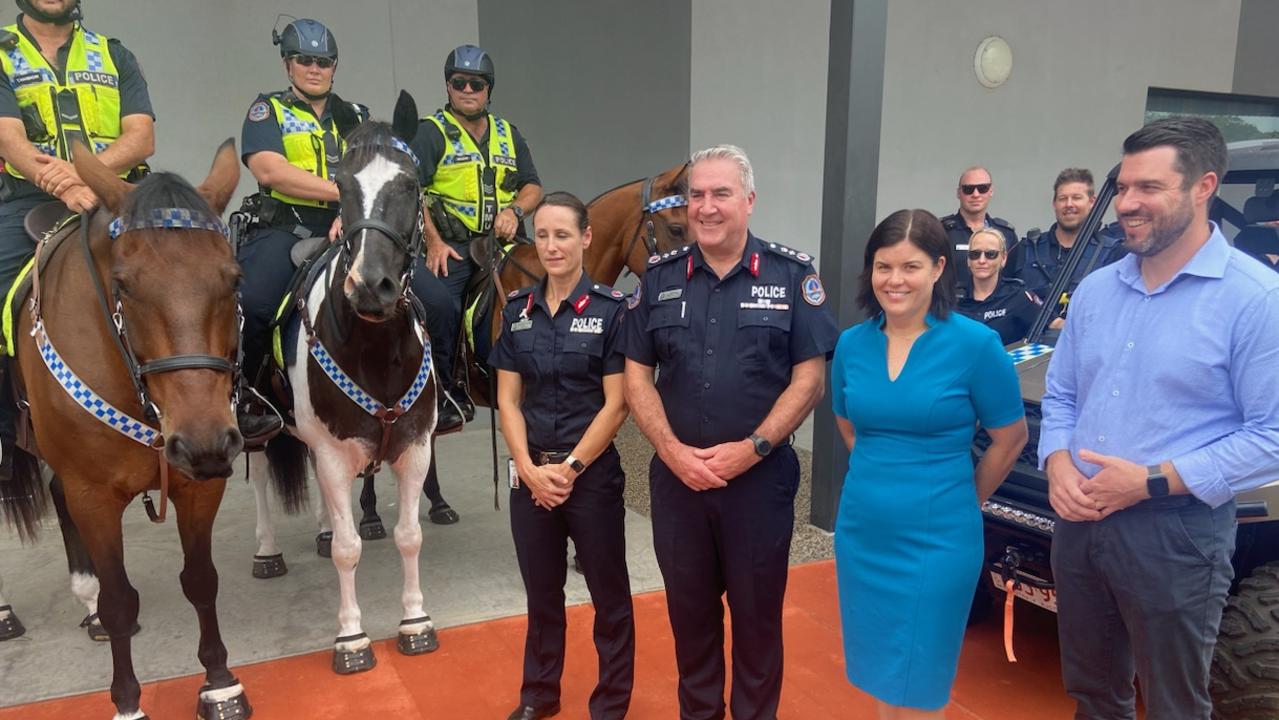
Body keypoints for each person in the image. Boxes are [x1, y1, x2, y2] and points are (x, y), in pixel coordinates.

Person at [1039, 117, 1279, 719]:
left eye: (1148, 188)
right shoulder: (1096, 291)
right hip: (1081, 521)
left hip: (1176, 530)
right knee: (1093, 694)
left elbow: (1272, 434)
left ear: (1203, 186)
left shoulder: (1255, 299)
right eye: (1121, 188)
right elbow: (1063, 394)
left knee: (1174, 703)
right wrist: (1056, 462)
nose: (1127, 204)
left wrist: (1151, 480)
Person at [623, 144, 838, 720]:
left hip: (758, 486)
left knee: (757, 624)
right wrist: (670, 451)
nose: (707, 207)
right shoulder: (660, 277)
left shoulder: (792, 275)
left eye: (721, 194)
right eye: (697, 194)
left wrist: (754, 448)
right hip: (678, 486)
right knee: (690, 622)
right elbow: (636, 376)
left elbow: (810, 377)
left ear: (749, 200)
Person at [829, 209, 1027, 718]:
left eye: (910, 267)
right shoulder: (852, 344)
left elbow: (1010, 438)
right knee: (882, 673)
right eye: (883, 266)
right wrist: (885, 480)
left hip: (938, 539)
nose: (895, 280)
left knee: (921, 680)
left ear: (939, 268)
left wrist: (962, 499)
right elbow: (850, 425)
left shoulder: (976, 345)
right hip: (864, 533)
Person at [236, 18, 460, 438]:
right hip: (289, 227)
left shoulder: (355, 115)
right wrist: (343, 191)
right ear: (288, 65)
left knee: (441, 305)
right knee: (254, 303)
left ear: (334, 67)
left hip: (357, 229)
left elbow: (391, 170)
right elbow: (269, 170)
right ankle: (248, 397)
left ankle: (442, 394)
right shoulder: (268, 110)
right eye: (305, 60)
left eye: (324, 61)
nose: (314, 68)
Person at [491, 192, 633, 720]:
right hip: (531, 478)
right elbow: (507, 398)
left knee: (609, 595)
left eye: (563, 235)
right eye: (542, 235)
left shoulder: (612, 312)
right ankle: (538, 696)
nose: (551, 246)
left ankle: (610, 704)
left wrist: (569, 469)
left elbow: (618, 405)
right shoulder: (517, 311)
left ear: (586, 238)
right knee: (541, 593)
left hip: (590, 479)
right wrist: (527, 468)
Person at [0, 0, 154, 478]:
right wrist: (63, 183)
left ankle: (228, 404)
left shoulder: (113, 53)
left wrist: (90, 175)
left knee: (201, 274)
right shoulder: (2, 53)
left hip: (119, 192)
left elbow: (141, 136)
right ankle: (6, 431)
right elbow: (8, 138)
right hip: (30, 199)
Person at [413, 44, 542, 416]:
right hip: (451, 245)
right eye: (459, 83)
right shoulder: (430, 132)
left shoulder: (508, 133)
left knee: (546, 285)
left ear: (489, 89)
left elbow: (533, 185)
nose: (468, 90)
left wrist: (515, 210)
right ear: (448, 86)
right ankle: (445, 389)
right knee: (443, 306)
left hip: (502, 243)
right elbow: (412, 192)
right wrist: (433, 242)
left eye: (477, 84)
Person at [1019, 168, 1126, 298]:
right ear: (1054, 204)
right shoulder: (1027, 248)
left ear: (1092, 202)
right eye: (1063, 198)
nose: (1069, 204)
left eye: (1077, 198)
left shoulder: (1114, 253)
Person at [956, 227, 1042, 345]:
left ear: (1003, 258)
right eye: (975, 254)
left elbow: (1053, 326)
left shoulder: (1018, 296)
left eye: (990, 254)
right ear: (968, 259)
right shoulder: (951, 298)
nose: (981, 260)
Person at [939, 166, 1020, 286]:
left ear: (991, 191)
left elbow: (1013, 278)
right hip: (953, 303)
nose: (976, 194)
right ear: (958, 193)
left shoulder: (1006, 233)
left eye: (982, 188)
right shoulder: (942, 231)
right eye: (968, 189)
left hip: (995, 304)